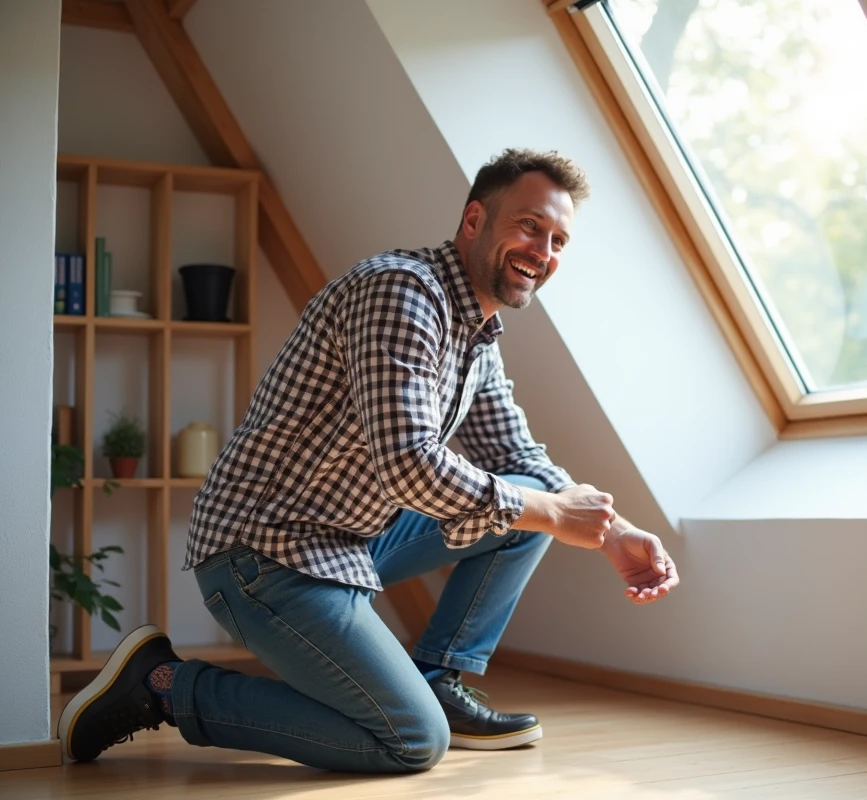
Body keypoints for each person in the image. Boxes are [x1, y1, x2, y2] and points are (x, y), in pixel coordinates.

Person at [57, 148, 680, 772]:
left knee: (527, 500)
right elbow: (408, 463)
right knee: (413, 740)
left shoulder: (478, 337)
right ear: (474, 220)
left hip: (350, 538)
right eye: (529, 225)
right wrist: (551, 511)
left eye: (558, 241)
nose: (542, 251)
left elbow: (518, 454)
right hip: (264, 551)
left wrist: (612, 531)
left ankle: (436, 682)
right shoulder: (401, 292)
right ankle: (160, 686)